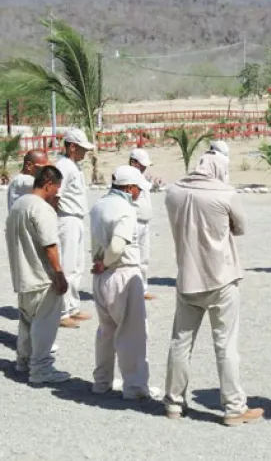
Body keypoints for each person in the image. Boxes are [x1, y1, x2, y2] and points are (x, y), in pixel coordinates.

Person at [164, 152, 262, 426]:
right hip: (221, 277)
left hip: (187, 277)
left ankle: (174, 402)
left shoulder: (174, 192)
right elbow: (240, 227)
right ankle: (233, 407)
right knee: (225, 344)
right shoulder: (224, 193)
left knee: (180, 342)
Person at [90, 165, 153, 399]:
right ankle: (135, 388)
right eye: (137, 188)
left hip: (101, 276)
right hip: (121, 272)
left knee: (106, 331)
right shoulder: (125, 209)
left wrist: (102, 264)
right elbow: (117, 246)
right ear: (128, 187)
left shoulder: (99, 204)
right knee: (132, 333)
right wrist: (107, 261)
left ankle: (102, 381)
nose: (138, 193)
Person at [5, 165, 69, 384]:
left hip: (22, 275)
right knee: (44, 323)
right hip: (41, 278)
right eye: (57, 188)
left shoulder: (19, 205)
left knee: (26, 322)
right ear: (48, 183)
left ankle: (23, 362)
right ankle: (41, 368)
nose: (57, 193)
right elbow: (49, 245)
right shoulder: (40, 209)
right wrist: (59, 274)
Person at [56, 127, 95, 328]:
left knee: (77, 265)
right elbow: (56, 193)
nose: (84, 153)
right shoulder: (63, 166)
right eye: (81, 148)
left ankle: (72, 306)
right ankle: (62, 312)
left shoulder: (73, 165)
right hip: (67, 218)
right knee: (67, 266)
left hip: (76, 218)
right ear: (72, 147)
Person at [128, 148, 155, 300]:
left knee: (144, 258)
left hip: (145, 222)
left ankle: (142, 289)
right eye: (141, 164)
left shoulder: (142, 177)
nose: (144, 167)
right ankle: (132, 290)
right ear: (133, 162)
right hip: (134, 221)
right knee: (133, 258)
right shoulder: (127, 177)